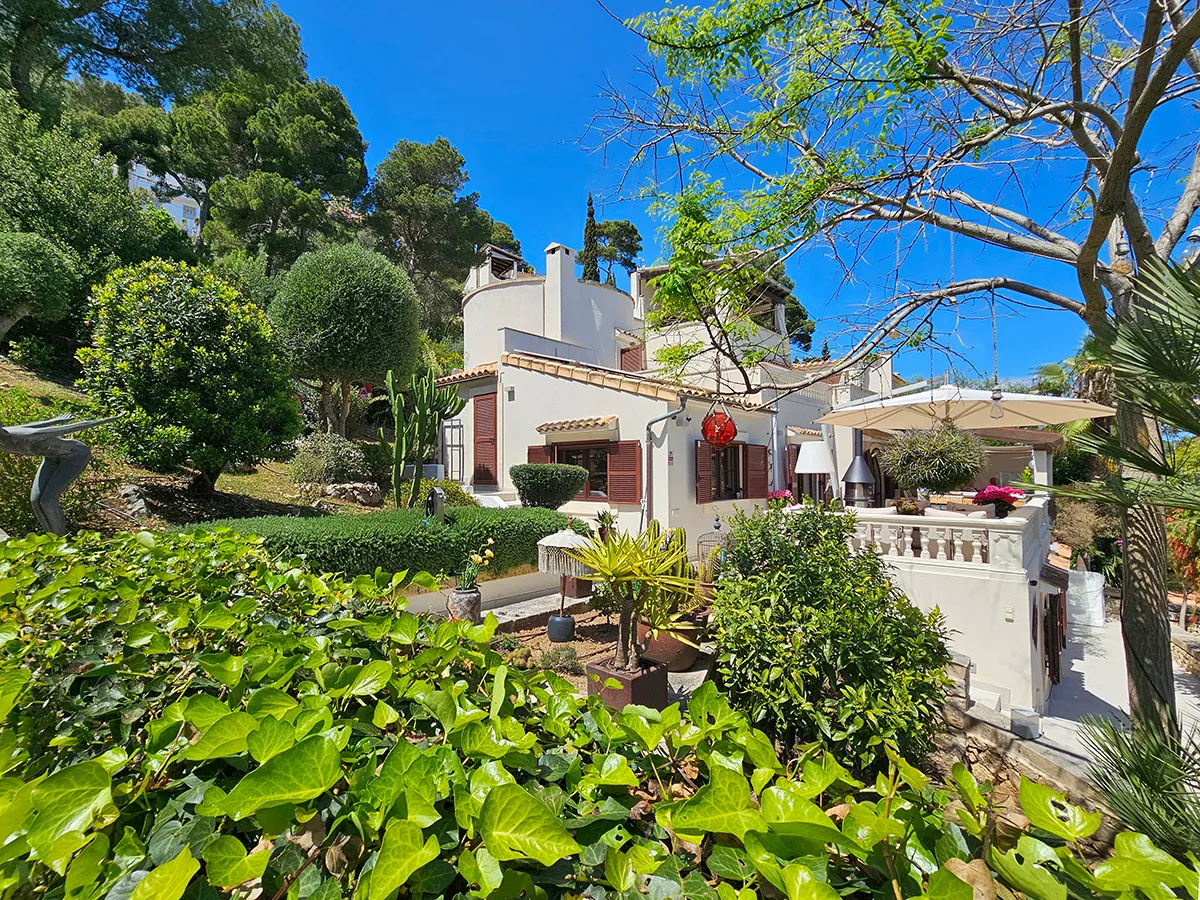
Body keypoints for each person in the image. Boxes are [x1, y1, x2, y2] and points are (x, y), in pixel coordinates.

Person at [0, 413, 119, 535]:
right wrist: (56, 419)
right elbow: (33, 425)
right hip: (51, 458)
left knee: (48, 500)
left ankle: (62, 540)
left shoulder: (19, 436)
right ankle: (52, 539)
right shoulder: (4, 437)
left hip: (75, 455)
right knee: (35, 501)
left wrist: (106, 420)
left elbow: (69, 428)